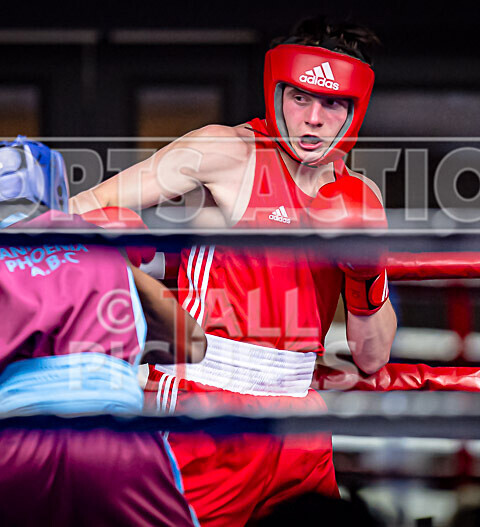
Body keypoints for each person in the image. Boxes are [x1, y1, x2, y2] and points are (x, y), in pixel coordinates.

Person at [69, 17, 397, 526]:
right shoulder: (228, 151)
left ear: (354, 110)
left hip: (298, 416)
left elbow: (372, 357)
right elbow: (89, 203)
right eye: (300, 98)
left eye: (332, 103)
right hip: (207, 401)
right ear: (277, 91)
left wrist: (365, 276)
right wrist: (116, 237)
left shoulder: (364, 198)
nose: (312, 118)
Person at [0, 138, 205, 526]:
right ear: (54, 189)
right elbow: (193, 342)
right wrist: (109, 356)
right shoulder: (98, 240)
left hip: (11, 447)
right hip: (117, 438)